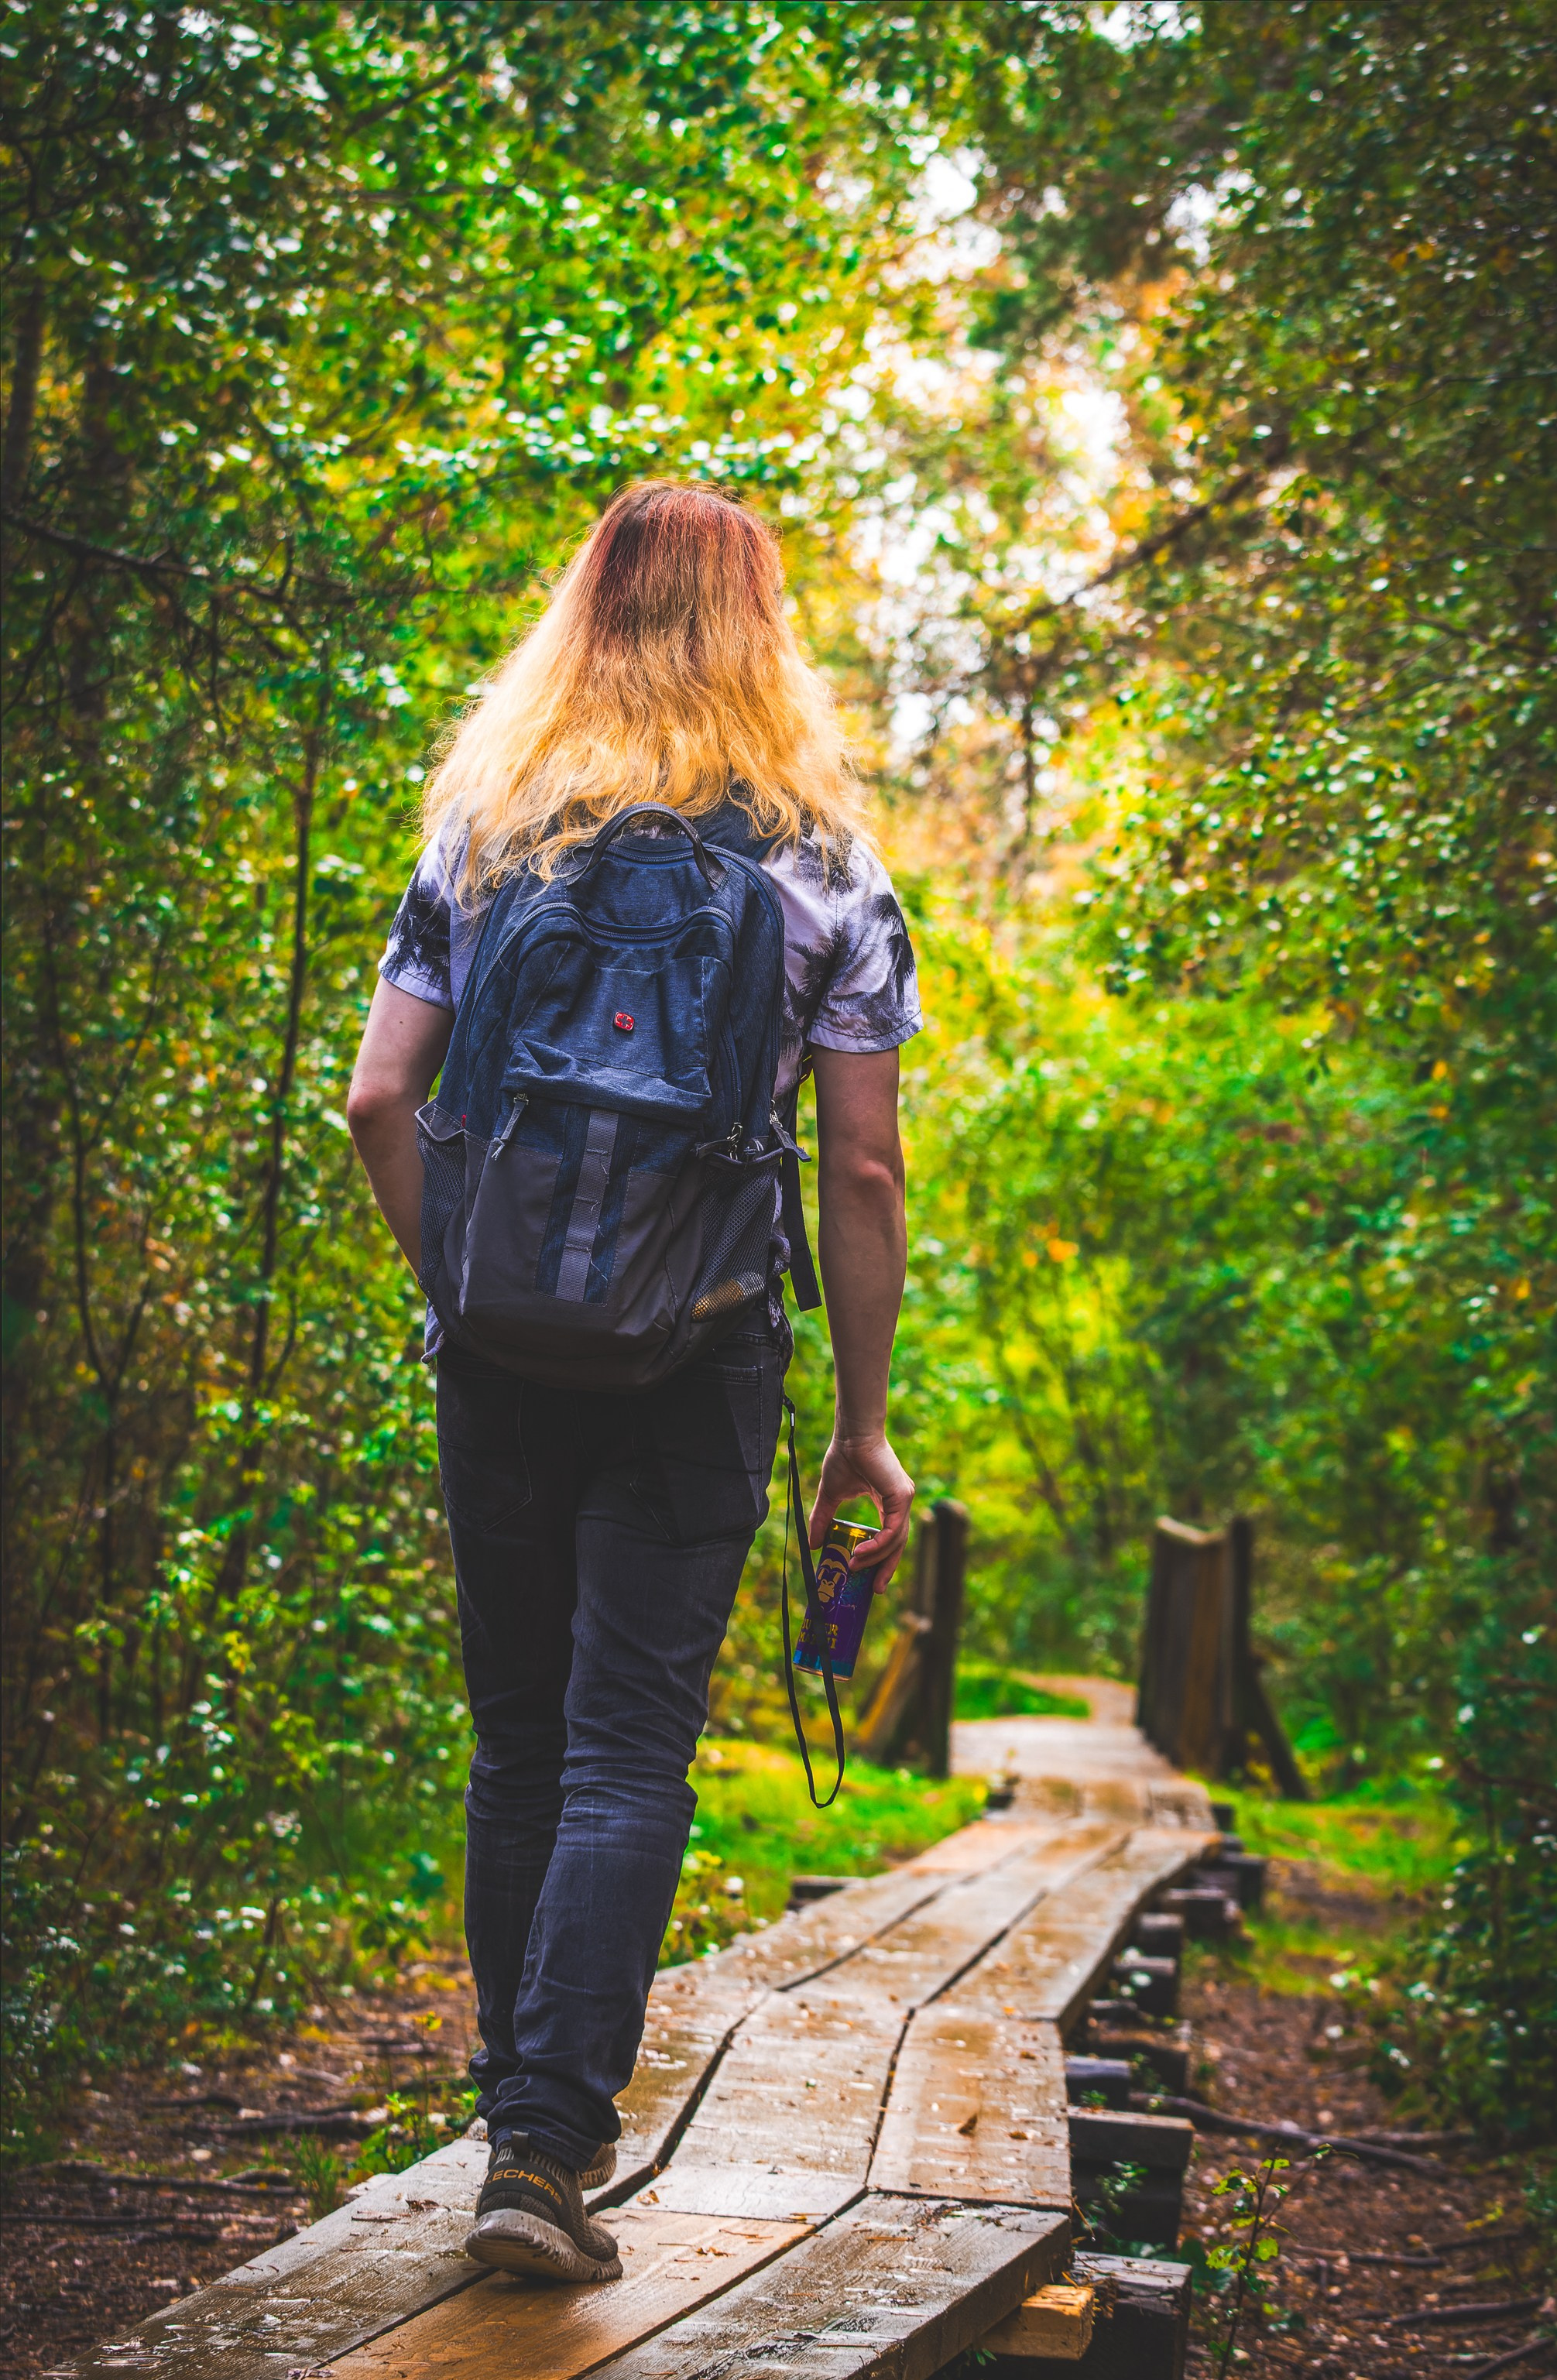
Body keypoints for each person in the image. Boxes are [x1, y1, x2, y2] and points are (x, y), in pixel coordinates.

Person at [345, 481, 920, 2285]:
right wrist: (863, 1429)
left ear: (583, 613)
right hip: (705, 1350)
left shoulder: (490, 832)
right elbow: (865, 1171)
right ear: (766, 632)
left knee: (519, 1743)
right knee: (626, 1752)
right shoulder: (821, 865)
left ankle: (513, 2116)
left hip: (495, 1350)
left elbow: (377, 1100)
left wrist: (463, 1287)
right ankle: (545, 2151)